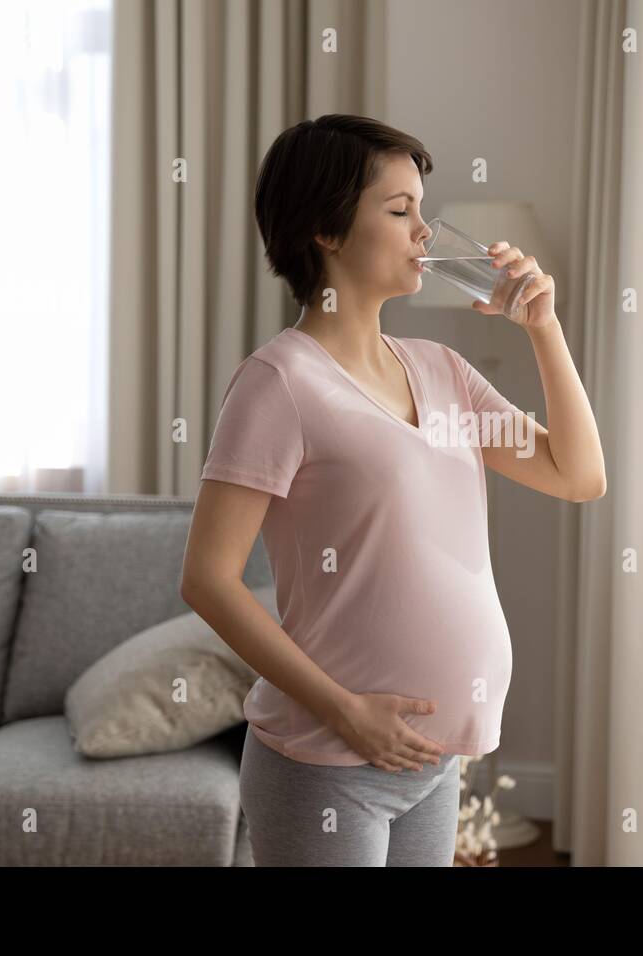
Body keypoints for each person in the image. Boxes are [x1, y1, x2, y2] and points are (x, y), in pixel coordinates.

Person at [179, 113, 606, 866]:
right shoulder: (277, 384)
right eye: (400, 210)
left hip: (431, 763)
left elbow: (579, 475)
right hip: (325, 765)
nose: (424, 234)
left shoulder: (442, 372)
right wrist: (345, 711)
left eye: (422, 209)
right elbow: (208, 581)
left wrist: (543, 328)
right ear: (327, 231)